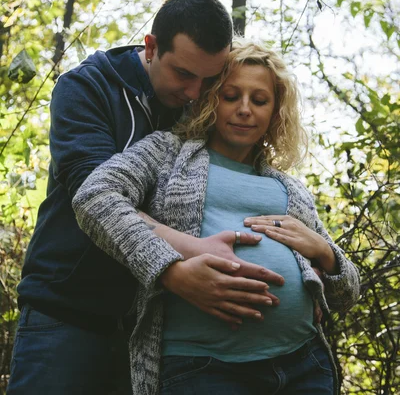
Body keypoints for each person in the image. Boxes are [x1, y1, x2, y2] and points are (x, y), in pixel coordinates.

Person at [7, 0, 284, 395]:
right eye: (184, 74)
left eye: (210, 80)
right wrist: (185, 258)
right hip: (66, 314)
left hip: (148, 333)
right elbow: (97, 198)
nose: (195, 93)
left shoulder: (199, 105)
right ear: (151, 47)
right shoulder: (87, 88)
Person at [73, 41, 360, 395]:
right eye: (231, 96)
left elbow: (346, 295)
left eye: (259, 100)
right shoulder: (167, 152)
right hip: (202, 367)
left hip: (303, 365)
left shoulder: (289, 188)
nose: (244, 109)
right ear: (210, 98)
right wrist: (166, 269)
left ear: (274, 112)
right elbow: (94, 196)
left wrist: (327, 254)